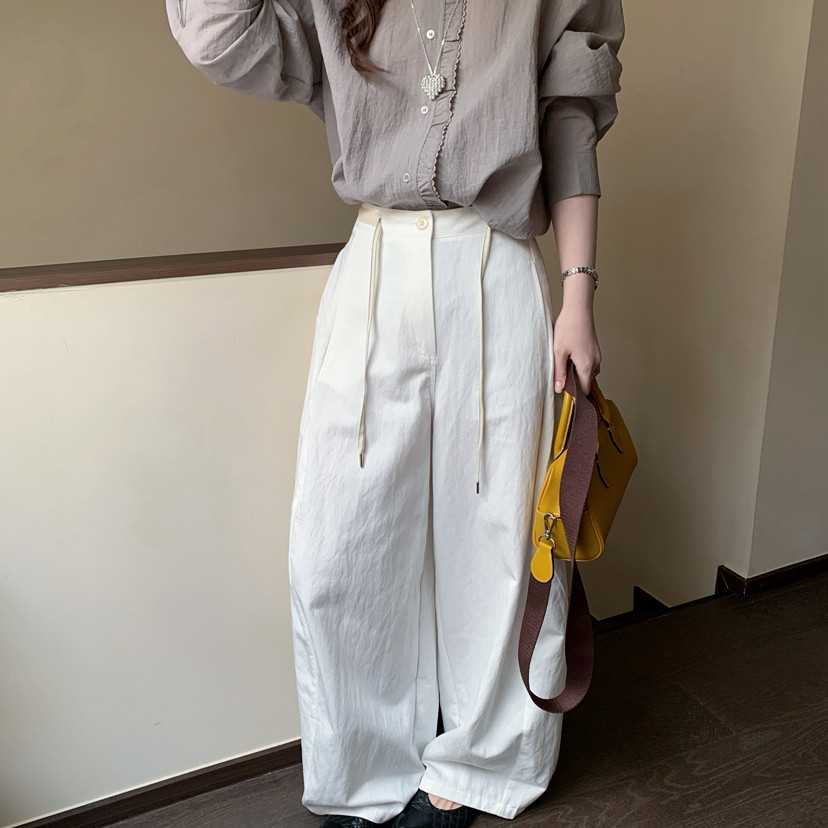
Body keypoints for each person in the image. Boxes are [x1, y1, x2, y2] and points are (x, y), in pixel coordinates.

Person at [166, 1, 624, 825]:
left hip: (495, 262)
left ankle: (482, 764)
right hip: (375, 261)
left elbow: (568, 120)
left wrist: (578, 296)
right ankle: (364, 766)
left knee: (499, 537)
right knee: (339, 544)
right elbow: (225, 39)